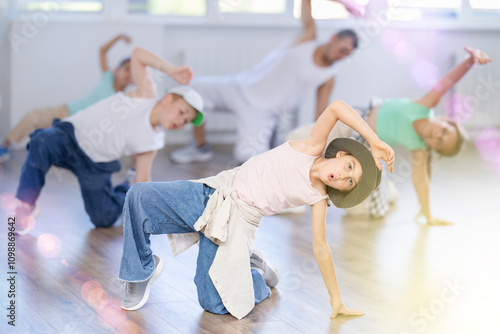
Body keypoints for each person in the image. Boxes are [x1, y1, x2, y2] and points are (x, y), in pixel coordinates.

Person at [118, 99, 395, 320]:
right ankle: (140, 271)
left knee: (213, 303)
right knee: (138, 195)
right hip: (214, 192)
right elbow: (336, 107)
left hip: (235, 225)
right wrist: (373, 140)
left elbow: (321, 248)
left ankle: (256, 272)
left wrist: (337, 300)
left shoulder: (318, 197)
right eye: (349, 168)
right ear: (342, 155)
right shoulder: (310, 147)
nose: (343, 177)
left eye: (350, 182)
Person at [12, 47, 204, 235]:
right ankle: (25, 205)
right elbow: (138, 54)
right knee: (41, 140)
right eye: (182, 112)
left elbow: (143, 179)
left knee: (102, 219)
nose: (181, 121)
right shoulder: (146, 94)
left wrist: (149, 215)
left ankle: (124, 188)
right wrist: (171, 70)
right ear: (168, 99)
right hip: (70, 138)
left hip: (97, 164)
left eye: (186, 121)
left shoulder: (154, 141)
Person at [288, 46, 492, 223]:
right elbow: (448, 81)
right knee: (298, 138)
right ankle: (289, 190)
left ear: (434, 148)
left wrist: (427, 214)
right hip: (355, 120)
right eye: (444, 132)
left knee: (365, 212)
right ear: (445, 121)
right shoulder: (424, 106)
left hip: (364, 148)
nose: (436, 136)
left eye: (439, 142)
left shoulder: (419, 148)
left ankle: (386, 190)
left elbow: (421, 182)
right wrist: (471, 60)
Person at [170, 0, 360, 164]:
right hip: (238, 86)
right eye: (342, 49)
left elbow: (319, 115)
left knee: (247, 159)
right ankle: (200, 147)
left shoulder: (328, 76)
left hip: (261, 111)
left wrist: (317, 148)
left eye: (347, 55)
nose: (341, 56)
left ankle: (271, 134)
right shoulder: (309, 37)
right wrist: (344, 3)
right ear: (334, 38)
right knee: (192, 90)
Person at [0, 34, 134, 163]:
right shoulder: (107, 77)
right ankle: (5, 145)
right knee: (33, 117)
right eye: (126, 68)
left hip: (79, 129)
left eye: (133, 71)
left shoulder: (123, 99)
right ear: (117, 70)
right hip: (67, 112)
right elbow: (102, 51)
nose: (129, 73)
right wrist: (119, 37)